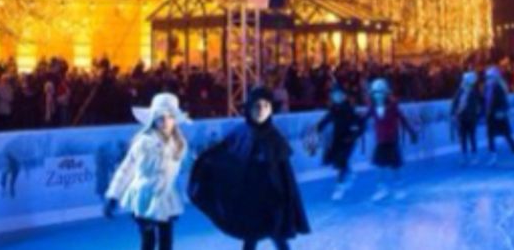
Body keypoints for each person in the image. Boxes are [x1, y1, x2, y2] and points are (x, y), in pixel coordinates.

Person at [189, 86, 310, 250]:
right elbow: (222, 154)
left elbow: (284, 174)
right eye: (256, 106)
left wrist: (285, 199)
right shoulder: (240, 133)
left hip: (272, 201)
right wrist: (205, 163)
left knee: (277, 237)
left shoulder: (275, 138)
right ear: (248, 109)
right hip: (249, 200)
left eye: (265, 106)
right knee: (251, 236)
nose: (261, 110)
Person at [104, 92, 190, 250]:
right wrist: (113, 195)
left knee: (166, 241)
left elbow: (188, 166)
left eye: (169, 117)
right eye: (160, 117)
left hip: (166, 198)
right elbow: (126, 168)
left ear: (175, 120)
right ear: (153, 119)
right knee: (148, 241)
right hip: (144, 197)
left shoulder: (178, 143)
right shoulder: (143, 142)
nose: (165, 121)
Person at [366, 78, 418, 201]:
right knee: (379, 166)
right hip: (380, 141)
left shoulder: (393, 107)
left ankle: (399, 188)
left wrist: (411, 132)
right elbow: (363, 119)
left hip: (392, 141)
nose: (378, 96)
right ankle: (382, 189)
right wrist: (355, 127)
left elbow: (403, 119)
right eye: (376, 93)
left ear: (386, 93)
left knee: (395, 166)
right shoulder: (373, 108)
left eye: (381, 93)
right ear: (373, 94)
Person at [315, 83, 365, 200]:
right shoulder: (334, 109)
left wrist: (355, 134)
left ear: (344, 96)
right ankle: (348, 174)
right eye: (334, 95)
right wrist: (319, 126)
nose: (336, 97)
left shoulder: (349, 109)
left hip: (348, 139)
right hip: (338, 139)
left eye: (339, 95)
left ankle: (340, 186)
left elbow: (360, 122)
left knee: (341, 160)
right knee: (336, 161)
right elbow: (327, 118)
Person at [484, 66, 514, 164]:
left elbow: (503, 102)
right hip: (491, 116)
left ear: (495, 77)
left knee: (507, 135)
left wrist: (502, 111)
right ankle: (493, 156)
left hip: (499, 116)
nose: (488, 79)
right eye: (488, 77)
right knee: (490, 136)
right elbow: (486, 102)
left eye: (490, 77)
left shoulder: (499, 87)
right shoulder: (488, 88)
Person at [450, 71, 483, 163]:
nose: (464, 82)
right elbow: (455, 102)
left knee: (471, 137)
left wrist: (477, 114)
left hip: (471, 118)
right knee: (463, 137)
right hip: (461, 117)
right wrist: (453, 113)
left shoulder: (474, 92)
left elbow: (479, 104)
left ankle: (474, 155)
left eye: (465, 80)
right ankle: (464, 155)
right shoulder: (460, 90)